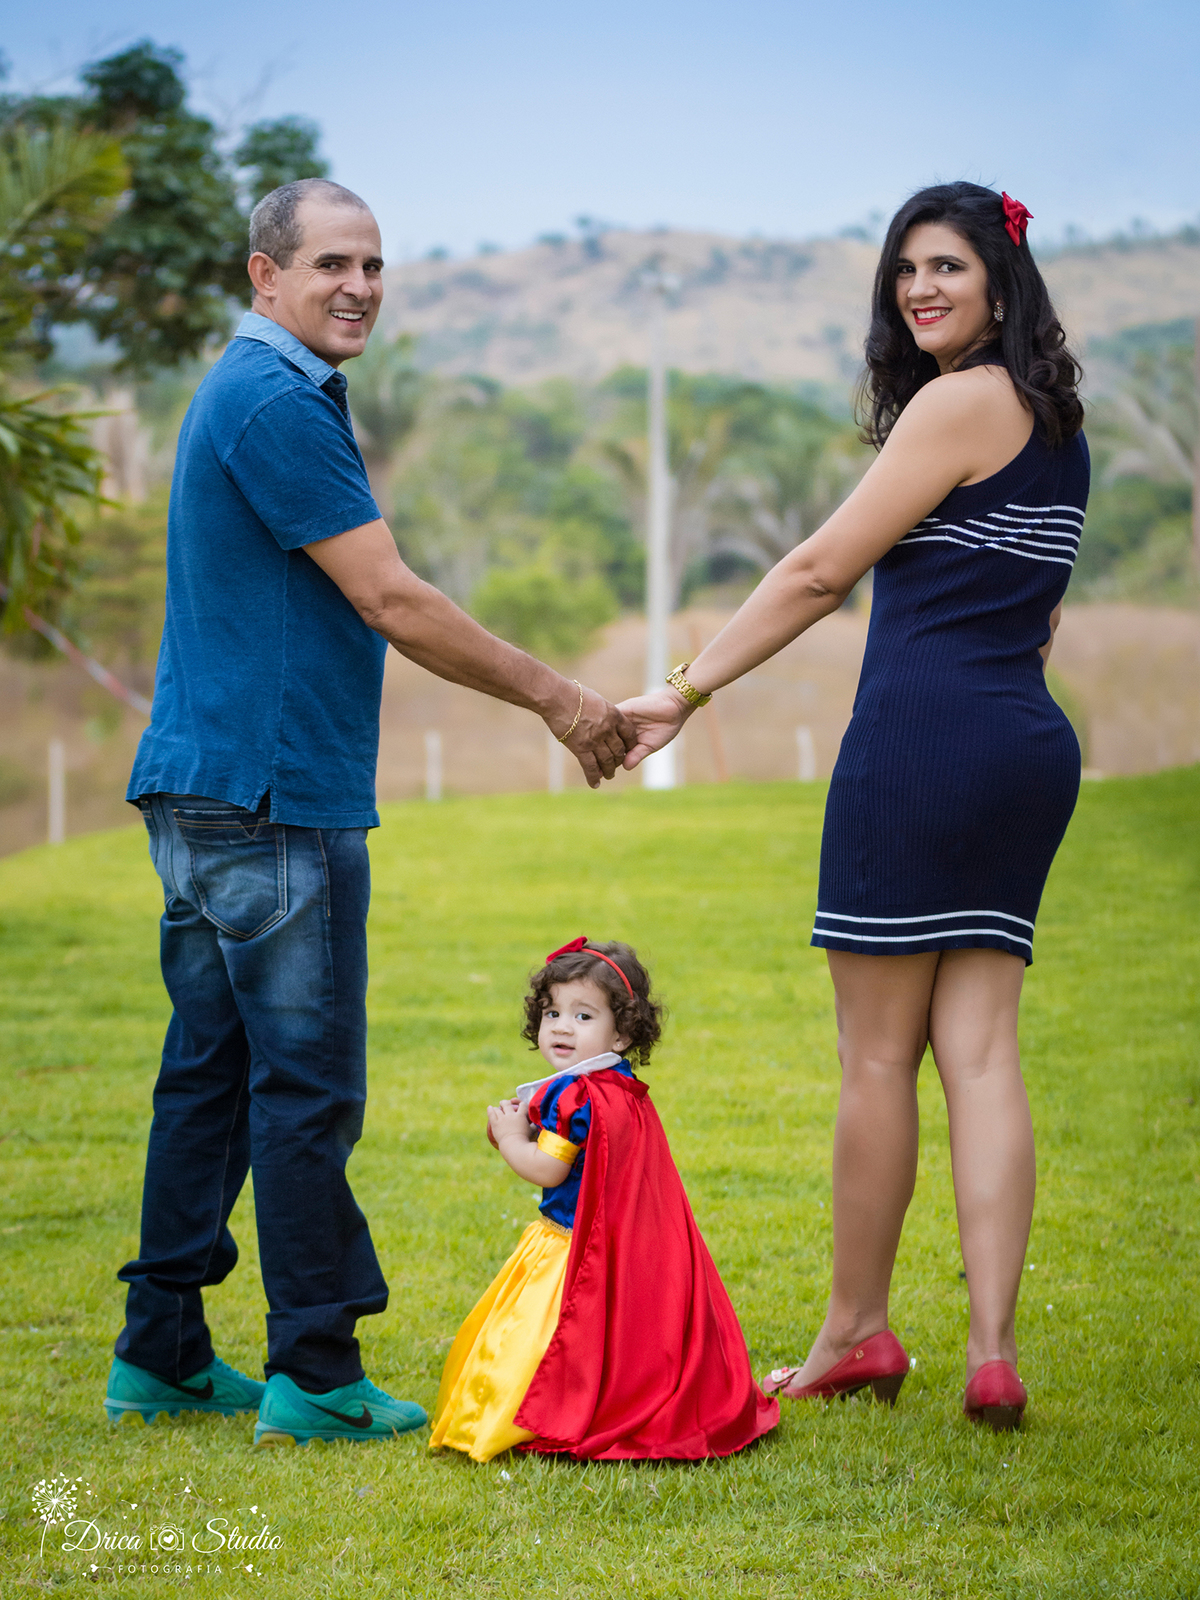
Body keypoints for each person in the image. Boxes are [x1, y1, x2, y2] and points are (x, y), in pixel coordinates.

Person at [105, 178, 635, 1447]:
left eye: (375, 265)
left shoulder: (255, 389)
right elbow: (391, 598)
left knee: (209, 1077)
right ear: (265, 275)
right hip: (273, 795)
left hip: (206, 785)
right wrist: (564, 699)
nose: (358, 287)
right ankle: (318, 1370)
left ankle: (161, 1353)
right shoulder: (276, 399)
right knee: (304, 1088)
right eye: (332, 263)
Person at [617, 183, 1088, 1433]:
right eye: (905, 270)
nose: (921, 288)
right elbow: (1040, 614)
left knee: (879, 1055)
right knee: (982, 1050)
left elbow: (822, 568)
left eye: (948, 267)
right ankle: (992, 1353)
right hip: (1026, 745)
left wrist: (684, 690)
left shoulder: (956, 402)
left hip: (921, 746)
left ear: (1002, 284)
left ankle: (856, 1331)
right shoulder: (1057, 424)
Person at [429, 938, 779, 1461]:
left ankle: (534, 1415)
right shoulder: (618, 1084)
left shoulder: (572, 1096)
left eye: (583, 1015)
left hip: (570, 1248)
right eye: (552, 1013)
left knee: (539, 1339)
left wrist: (510, 1137)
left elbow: (547, 1168)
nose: (562, 1027)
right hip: (619, 1245)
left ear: (622, 1031)